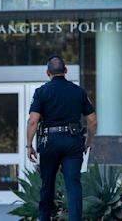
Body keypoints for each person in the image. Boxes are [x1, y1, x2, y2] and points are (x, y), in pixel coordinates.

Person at [26, 55, 97, 221]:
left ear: (48, 73)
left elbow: (32, 121)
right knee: (73, 183)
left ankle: (45, 218)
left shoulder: (41, 92)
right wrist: (89, 142)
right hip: (73, 141)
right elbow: (92, 121)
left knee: (47, 183)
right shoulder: (78, 91)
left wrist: (29, 145)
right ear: (65, 71)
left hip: (49, 141)